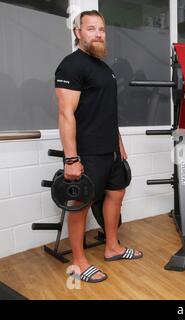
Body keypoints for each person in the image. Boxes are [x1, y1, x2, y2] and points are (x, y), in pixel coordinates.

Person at [54, 10, 142, 283]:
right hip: (88, 151)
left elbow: (106, 110)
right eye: (91, 28)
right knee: (80, 204)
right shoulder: (71, 66)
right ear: (78, 33)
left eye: (102, 29)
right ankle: (79, 262)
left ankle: (113, 247)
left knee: (116, 193)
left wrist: (118, 141)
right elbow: (66, 114)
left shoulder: (104, 68)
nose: (98, 34)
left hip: (110, 149)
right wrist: (71, 159)